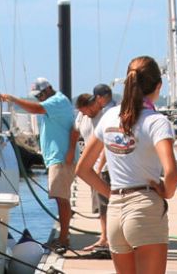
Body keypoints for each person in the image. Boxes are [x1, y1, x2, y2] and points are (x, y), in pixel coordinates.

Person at [75, 57, 177, 274]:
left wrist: (111, 195)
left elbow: (83, 169)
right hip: (144, 208)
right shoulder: (156, 122)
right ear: (158, 86)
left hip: (115, 213)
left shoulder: (110, 116)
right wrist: (166, 192)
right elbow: (171, 173)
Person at [0, 78, 77, 250]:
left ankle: (63, 239)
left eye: (40, 94)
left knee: (61, 199)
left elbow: (36, 109)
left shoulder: (56, 101)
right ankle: (63, 236)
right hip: (57, 157)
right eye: (37, 96)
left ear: (48, 89)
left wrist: (12, 98)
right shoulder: (55, 102)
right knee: (60, 198)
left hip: (61, 158)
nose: (39, 98)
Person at [69, 84, 115, 258]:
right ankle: (104, 237)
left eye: (87, 110)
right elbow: (76, 133)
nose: (86, 114)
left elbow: (106, 143)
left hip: (105, 166)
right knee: (100, 206)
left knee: (108, 203)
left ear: (94, 103)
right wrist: (74, 156)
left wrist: (100, 165)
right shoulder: (82, 116)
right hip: (91, 167)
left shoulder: (105, 115)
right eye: (83, 111)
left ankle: (110, 238)